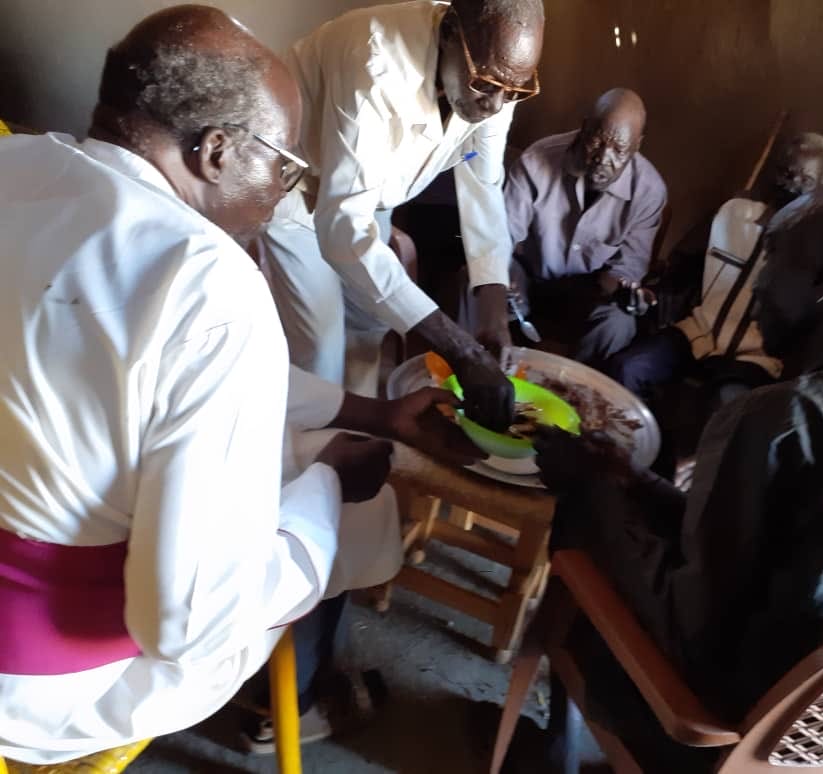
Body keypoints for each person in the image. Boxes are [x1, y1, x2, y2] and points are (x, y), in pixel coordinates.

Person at [0, 6, 479, 763]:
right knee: (348, 510)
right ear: (216, 151)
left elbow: (179, 377)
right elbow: (187, 624)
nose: (283, 192)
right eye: (286, 168)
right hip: (42, 683)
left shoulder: (18, 165)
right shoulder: (206, 279)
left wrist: (382, 415)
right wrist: (323, 484)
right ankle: (302, 697)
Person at [534, 176, 823, 768]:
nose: (758, 287)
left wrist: (589, 488)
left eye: (773, 261)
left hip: (723, 735)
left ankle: (548, 751)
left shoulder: (777, 415)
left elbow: (686, 626)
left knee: (583, 523)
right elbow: (786, 553)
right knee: (615, 500)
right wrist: (636, 483)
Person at [260, 0, 545, 431]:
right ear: (449, 32)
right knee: (320, 344)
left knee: (370, 326)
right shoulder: (373, 60)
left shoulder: (498, 75)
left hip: (372, 194)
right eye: (486, 84)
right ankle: (309, 458)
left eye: (516, 91)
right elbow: (343, 228)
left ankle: (355, 435)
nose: (496, 104)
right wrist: (461, 351)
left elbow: (483, 183)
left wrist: (491, 308)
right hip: (297, 188)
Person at [605, 132, 823, 399]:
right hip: (699, 333)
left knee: (725, 402)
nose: (791, 185)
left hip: (755, 358)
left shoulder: (818, 248)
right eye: (785, 173)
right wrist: (652, 298)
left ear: (822, 184)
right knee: (627, 368)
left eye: (805, 180)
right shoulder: (733, 214)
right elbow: (682, 271)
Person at [479, 88, 667, 365]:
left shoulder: (649, 191)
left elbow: (628, 267)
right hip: (529, 276)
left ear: (637, 146)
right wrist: (501, 280)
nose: (603, 158)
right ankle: (479, 373)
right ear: (584, 128)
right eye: (597, 141)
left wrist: (626, 290)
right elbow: (500, 238)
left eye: (619, 150)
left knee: (619, 323)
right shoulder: (535, 162)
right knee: (478, 283)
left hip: (590, 292)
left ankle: (574, 392)